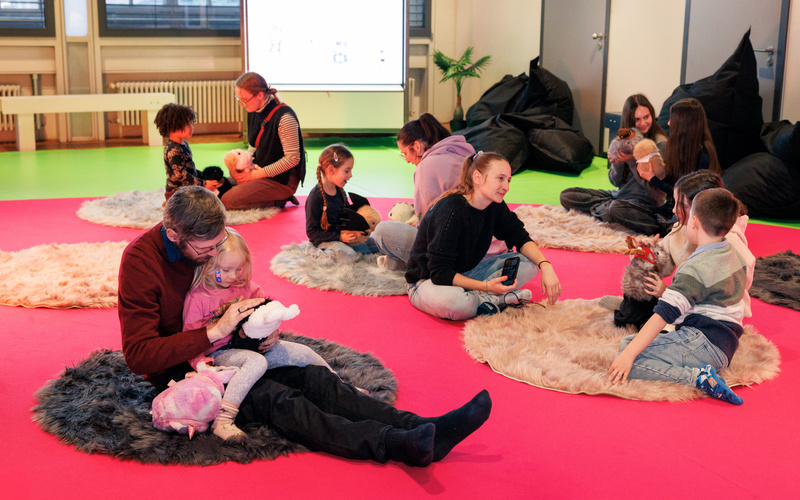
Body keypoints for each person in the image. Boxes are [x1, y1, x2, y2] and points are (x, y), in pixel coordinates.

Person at [118, 185, 492, 467]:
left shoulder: (209, 246)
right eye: (206, 250)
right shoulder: (141, 263)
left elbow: (243, 291)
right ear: (174, 235)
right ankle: (393, 443)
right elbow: (138, 356)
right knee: (279, 400)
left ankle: (423, 426)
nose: (214, 256)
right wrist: (213, 333)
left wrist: (262, 324)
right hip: (195, 369)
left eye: (219, 245)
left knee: (317, 379)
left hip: (237, 344)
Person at [182, 227, 336, 441]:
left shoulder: (248, 289)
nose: (233, 275)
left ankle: (339, 385)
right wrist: (200, 363)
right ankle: (223, 419)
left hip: (252, 346)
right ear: (208, 265)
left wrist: (272, 333)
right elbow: (190, 338)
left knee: (303, 352)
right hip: (219, 354)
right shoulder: (198, 297)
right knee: (256, 363)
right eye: (225, 270)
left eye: (239, 269)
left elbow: (265, 314)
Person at [606, 188, 750, 405]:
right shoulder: (734, 254)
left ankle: (698, 378)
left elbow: (663, 315)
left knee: (627, 355)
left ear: (694, 222)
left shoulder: (695, 267)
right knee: (630, 343)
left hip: (703, 342)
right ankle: (700, 370)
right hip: (726, 345)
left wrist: (628, 356)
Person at [404, 151, 562, 321]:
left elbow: (520, 236)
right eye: (500, 178)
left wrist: (546, 266)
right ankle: (496, 299)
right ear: (477, 178)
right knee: (458, 303)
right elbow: (439, 273)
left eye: (508, 180)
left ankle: (483, 298)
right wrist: (485, 286)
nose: (506, 187)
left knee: (532, 262)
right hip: (428, 281)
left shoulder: (494, 205)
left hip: (467, 271)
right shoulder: (452, 210)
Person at [609, 170, 755, 329]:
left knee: (664, 332)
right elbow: (663, 263)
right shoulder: (680, 229)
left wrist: (666, 293)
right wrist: (646, 253)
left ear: (702, 208)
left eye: (681, 205)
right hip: (682, 297)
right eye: (675, 202)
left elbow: (736, 283)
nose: (673, 210)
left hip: (712, 309)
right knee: (640, 277)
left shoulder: (728, 241)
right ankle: (631, 314)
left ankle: (645, 318)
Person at [372, 113, 475, 270]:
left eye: (405, 153)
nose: (407, 160)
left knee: (381, 232)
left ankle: (405, 265)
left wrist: (415, 225)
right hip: (481, 245)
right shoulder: (465, 153)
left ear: (417, 146)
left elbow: (428, 223)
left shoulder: (427, 166)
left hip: (453, 253)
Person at [560, 94, 670, 236]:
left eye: (646, 117)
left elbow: (654, 190)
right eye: (637, 119)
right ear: (629, 120)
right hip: (618, 196)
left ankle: (604, 211)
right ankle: (605, 210)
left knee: (615, 208)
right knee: (567, 195)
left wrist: (632, 160)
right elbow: (615, 182)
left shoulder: (659, 143)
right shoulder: (626, 138)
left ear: (652, 115)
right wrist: (617, 164)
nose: (643, 123)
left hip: (643, 203)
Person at [220, 72, 305, 211]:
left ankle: (278, 200)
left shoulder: (285, 117)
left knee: (227, 201)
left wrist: (254, 175)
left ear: (260, 95)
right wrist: (244, 166)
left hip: (282, 180)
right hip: (261, 168)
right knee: (225, 185)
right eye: (238, 99)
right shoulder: (253, 109)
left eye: (244, 100)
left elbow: (292, 159)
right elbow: (253, 144)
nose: (241, 104)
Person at [638, 97, 721, 209]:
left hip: (684, 211)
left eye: (673, 120)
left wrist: (653, 179)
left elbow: (685, 196)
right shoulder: (682, 149)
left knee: (619, 209)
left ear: (684, 124)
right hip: (671, 207)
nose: (668, 123)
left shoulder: (703, 157)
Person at [305, 143, 379, 259]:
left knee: (377, 245)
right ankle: (316, 253)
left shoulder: (340, 191)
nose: (350, 175)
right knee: (348, 254)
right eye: (347, 171)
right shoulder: (315, 197)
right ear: (331, 170)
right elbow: (312, 232)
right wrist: (340, 237)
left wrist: (359, 229)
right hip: (326, 240)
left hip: (343, 236)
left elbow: (347, 217)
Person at [154, 103, 202, 201]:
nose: (192, 127)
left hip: (187, 187)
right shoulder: (173, 150)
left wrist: (203, 176)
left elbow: (189, 168)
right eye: (188, 124)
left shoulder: (183, 144)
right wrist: (203, 183)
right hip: (178, 193)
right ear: (174, 126)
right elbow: (181, 175)